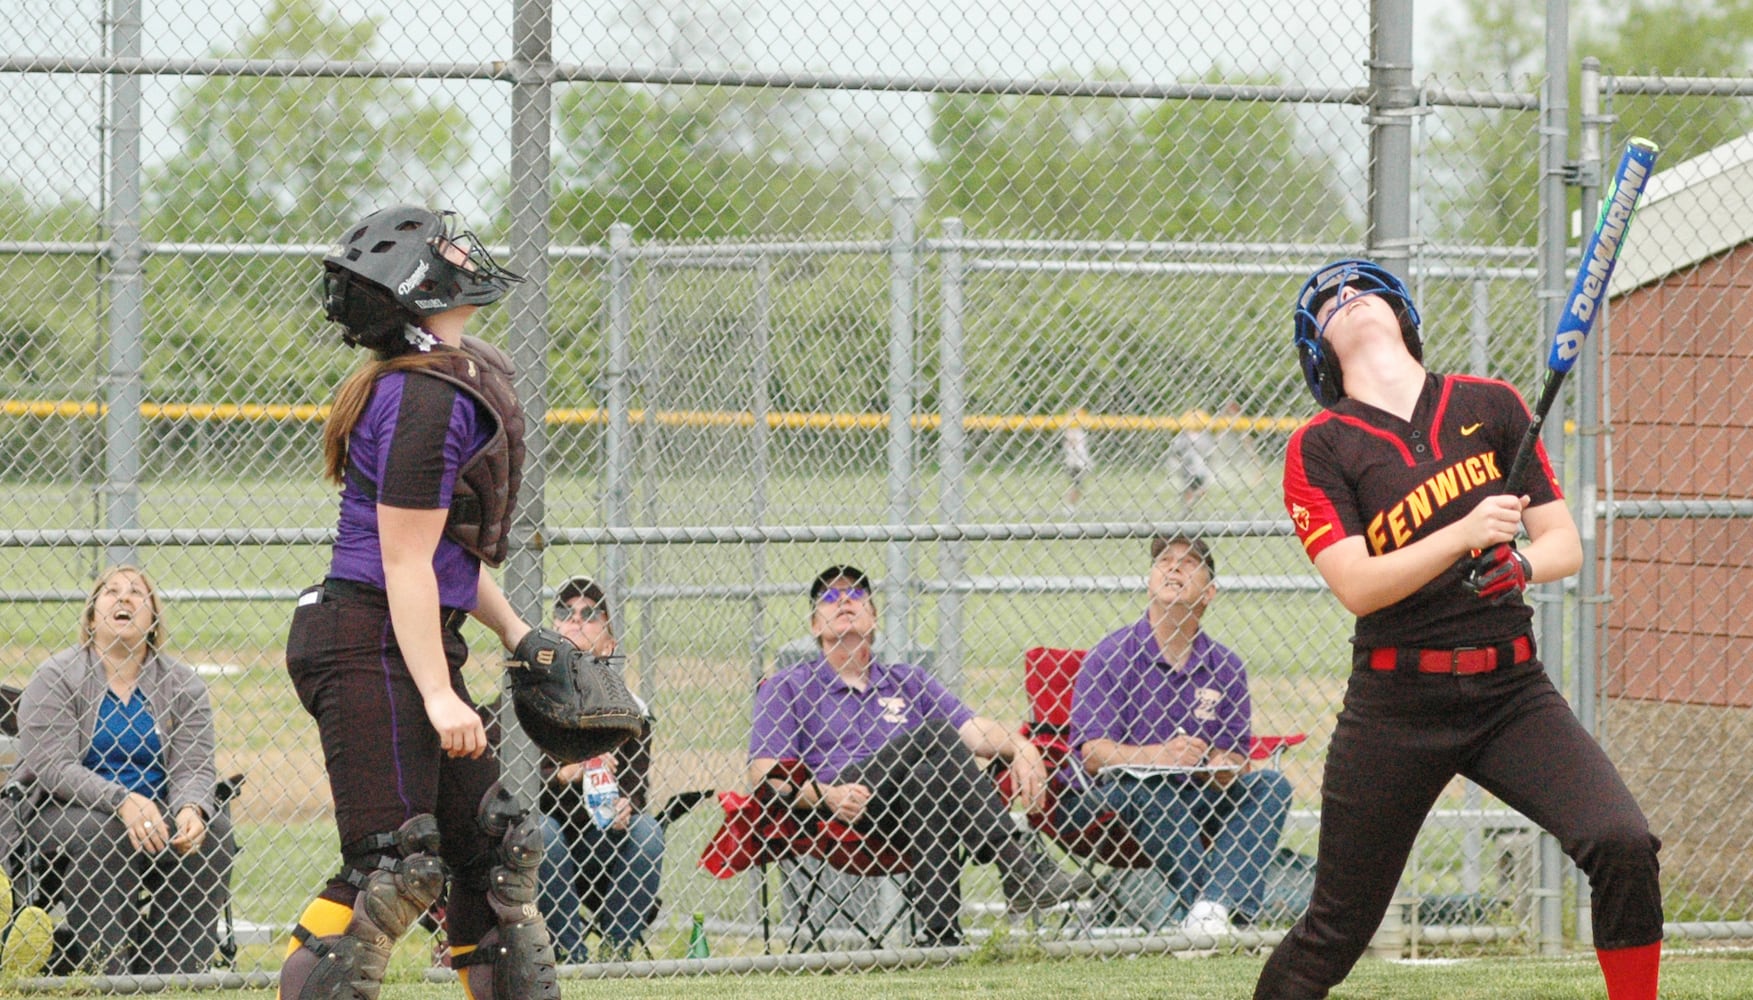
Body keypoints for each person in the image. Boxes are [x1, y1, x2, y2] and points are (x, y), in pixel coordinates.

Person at [1257, 260, 1662, 1000]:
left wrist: (1519, 566)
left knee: (1621, 843)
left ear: (1402, 314)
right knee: (1335, 931)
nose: (1348, 299)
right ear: (1316, 352)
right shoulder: (1321, 445)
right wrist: (1462, 534)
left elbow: (1562, 545)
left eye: (1363, 289)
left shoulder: (1492, 403)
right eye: (1327, 302)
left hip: (1510, 693)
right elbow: (1356, 584)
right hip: (1395, 703)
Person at [279, 205, 562, 1000]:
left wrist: (517, 632)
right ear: (417, 288)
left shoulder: (446, 374)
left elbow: (443, 555)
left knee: (493, 854)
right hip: (365, 634)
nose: (460, 254)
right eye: (441, 252)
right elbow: (403, 563)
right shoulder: (425, 398)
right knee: (392, 867)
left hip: (400, 627)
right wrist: (439, 693)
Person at [747, 564, 1095, 947]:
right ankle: (1017, 861)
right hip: (839, 805)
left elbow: (974, 730)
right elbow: (766, 774)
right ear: (815, 625)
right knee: (933, 734)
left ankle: (941, 938)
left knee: (926, 777)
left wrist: (1023, 746)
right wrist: (825, 794)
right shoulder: (787, 687)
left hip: (903, 811)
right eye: (830, 596)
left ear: (874, 618)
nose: (844, 599)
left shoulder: (908, 680)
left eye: (857, 594)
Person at [1057, 534, 1291, 934]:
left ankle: (1210, 911)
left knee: (1271, 786)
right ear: (1150, 582)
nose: (1174, 567)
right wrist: (1159, 756)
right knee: (1152, 790)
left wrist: (1222, 766)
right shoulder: (1112, 654)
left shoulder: (1226, 666)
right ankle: (1214, 910)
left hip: (1196, 793)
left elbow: (1236, 755)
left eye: (1189, 562)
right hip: (1116, 799)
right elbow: (1093, 753)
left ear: (1209, 592)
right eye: (1164, 560)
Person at [12, 565, 237, 975]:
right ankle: (106, 972)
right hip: (62, 812)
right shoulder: (57, 677)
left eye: (137, 592)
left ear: (152, 618)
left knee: (215, 833)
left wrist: (192, 808)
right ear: (92, 615)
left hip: (156, 811)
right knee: (107, 831)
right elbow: (52, 767)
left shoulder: (183, 685)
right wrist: (121, 801)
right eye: (111, 591)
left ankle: (170, 975)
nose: (124, 598)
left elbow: (194, 765)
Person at [535, 575, 662, 964]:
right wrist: (567, 773)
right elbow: (520, 790)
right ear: (552, 632)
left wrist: (627, 806)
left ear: (609, 644)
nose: (575, 619)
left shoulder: (629, 710)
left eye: (590, 614)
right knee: (543, 831)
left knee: (648, 832)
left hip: (601, 839)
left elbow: (636, 789)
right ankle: (573, 960)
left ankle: (615, 957)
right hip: (546, 841)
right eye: (564, 612)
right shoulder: (529, 698)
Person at [1063, 412, 1094, 508]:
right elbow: (1071, 443)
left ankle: (1071, 505)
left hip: (1081, 463)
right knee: (1076, 485)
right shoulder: (1070, 431)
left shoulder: (1079, 430)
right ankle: (1069, 505)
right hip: (1075, 463)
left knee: (1078, 486)